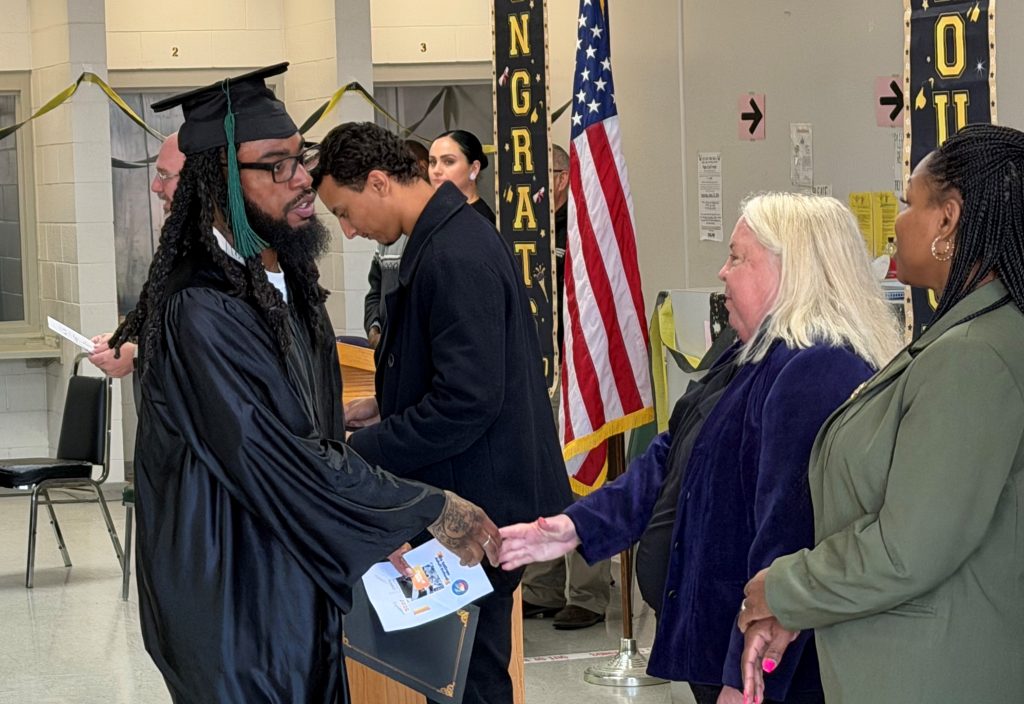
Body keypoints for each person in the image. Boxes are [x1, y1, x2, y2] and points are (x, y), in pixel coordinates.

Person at [105, 64, 501, 704]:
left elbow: (316, 436)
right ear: (222, 183)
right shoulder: (200, 307)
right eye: (277, 166)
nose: (301, 181)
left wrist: (379, 529)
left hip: (295, 573)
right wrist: (423, 508)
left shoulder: (287, 285)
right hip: (231, 586)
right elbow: (279, 456)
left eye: (300, 159)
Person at [499, 192, 902, 704]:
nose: (722, 272)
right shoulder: (753, 352)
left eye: (737, 257)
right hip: (718, 640)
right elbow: (675, 454)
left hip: (765, 668)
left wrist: (747, 679)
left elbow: (789, 534)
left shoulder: (817, 368)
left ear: (793, 268)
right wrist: (577, 526)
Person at [738, 125, 1024, 704]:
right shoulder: (964, 339)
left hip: (934, 674)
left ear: (947, 219)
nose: (895, 223)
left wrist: (785, 589)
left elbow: (908, 548)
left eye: (907, 204)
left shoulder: (973, 357)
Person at [314, 121, 573, 704]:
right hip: (475, 489)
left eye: (345, 212)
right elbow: (464, 368)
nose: (350, 230)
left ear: (378, 182)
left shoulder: (455, 251)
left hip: (479, 503)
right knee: (455, 680)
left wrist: (361, 453)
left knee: (471, 682)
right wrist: (386, 402)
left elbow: (467, 400)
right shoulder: (445, 237)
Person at [521, 144, 612, 630]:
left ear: (562, 177)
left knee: (581, 476)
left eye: (545, 174)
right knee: (543, 480)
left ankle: (588, 592)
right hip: (536, 368)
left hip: (578, 370)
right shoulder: (524, 231)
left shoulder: (581, 227)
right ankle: (542, 583)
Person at [89, 132, 185, 377]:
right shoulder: (178, 249)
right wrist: (128, 341)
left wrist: (137, 355)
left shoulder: (224, 259)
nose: (155, 186)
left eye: (164, 175)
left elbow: (207, 352)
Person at [362, 139, 428, 348]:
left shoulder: (437, 237)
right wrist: (373, 328)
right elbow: (375, 290)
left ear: (422, 168)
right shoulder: (387, 237)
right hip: (388, 355)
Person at [428, 129, 495, 221]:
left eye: (448, 161)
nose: (436, 170)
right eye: (432, 162)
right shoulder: (434, 214)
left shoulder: (481, 220)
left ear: (474, 169)